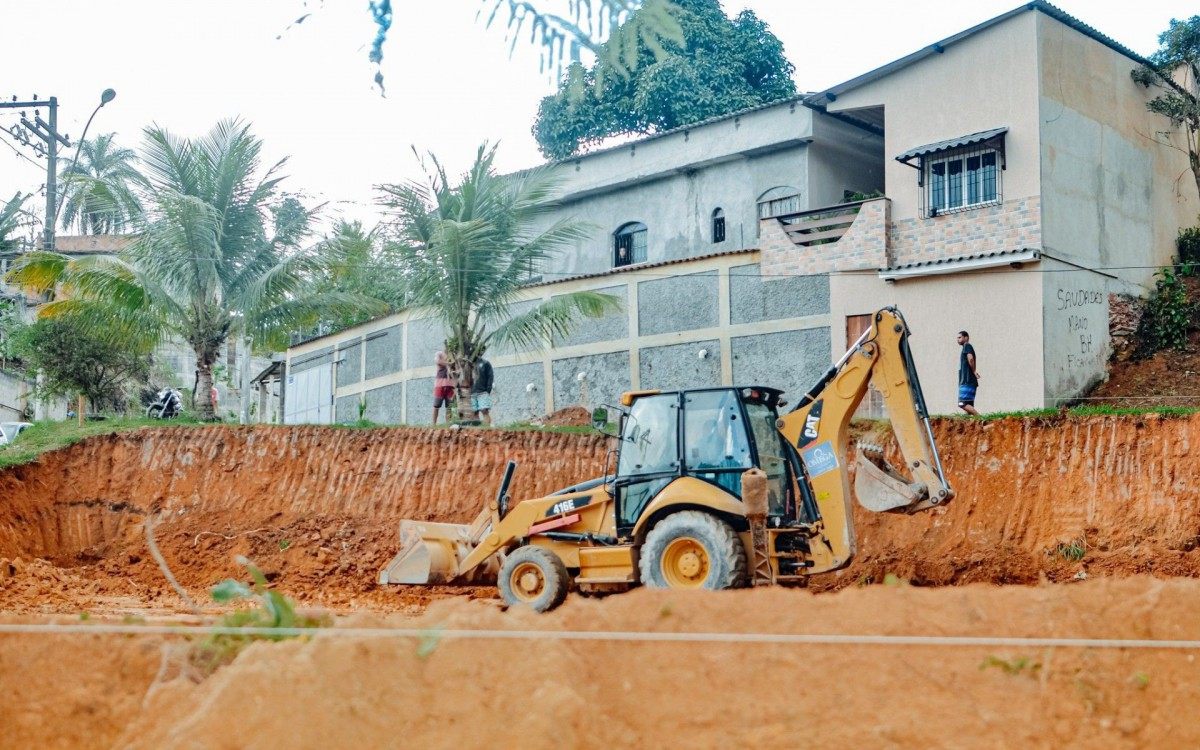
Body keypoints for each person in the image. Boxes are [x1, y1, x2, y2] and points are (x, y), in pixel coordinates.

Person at [957, 330, 980, 416]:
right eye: (957, 338)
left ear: (966, 337)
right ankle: (969, 422)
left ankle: (980, 418)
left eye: (960, 337)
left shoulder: (967, 346)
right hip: (969, 381)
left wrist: (974, 371)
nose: (958, 340)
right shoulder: (966, 347)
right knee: (969, 406)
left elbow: (970, 359)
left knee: (962, 403)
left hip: (967, 381)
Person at [432, 351, 455, 424]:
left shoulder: (452, 357)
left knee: (449, 407)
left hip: (450, 387)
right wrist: (449, 364)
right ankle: (433, 424)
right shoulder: (440, 354)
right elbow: (437, 361)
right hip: (440, 386)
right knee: (436, 405)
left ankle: (448, 424)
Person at [471, 356, 495, 426]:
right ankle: (477, 430)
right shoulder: (467, 364)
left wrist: (488, 390)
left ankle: (487, 429)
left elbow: (490, 376)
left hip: (483, 392)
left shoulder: (485, 363)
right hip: (471, 393)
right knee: (474, 412)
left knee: (484, 410)